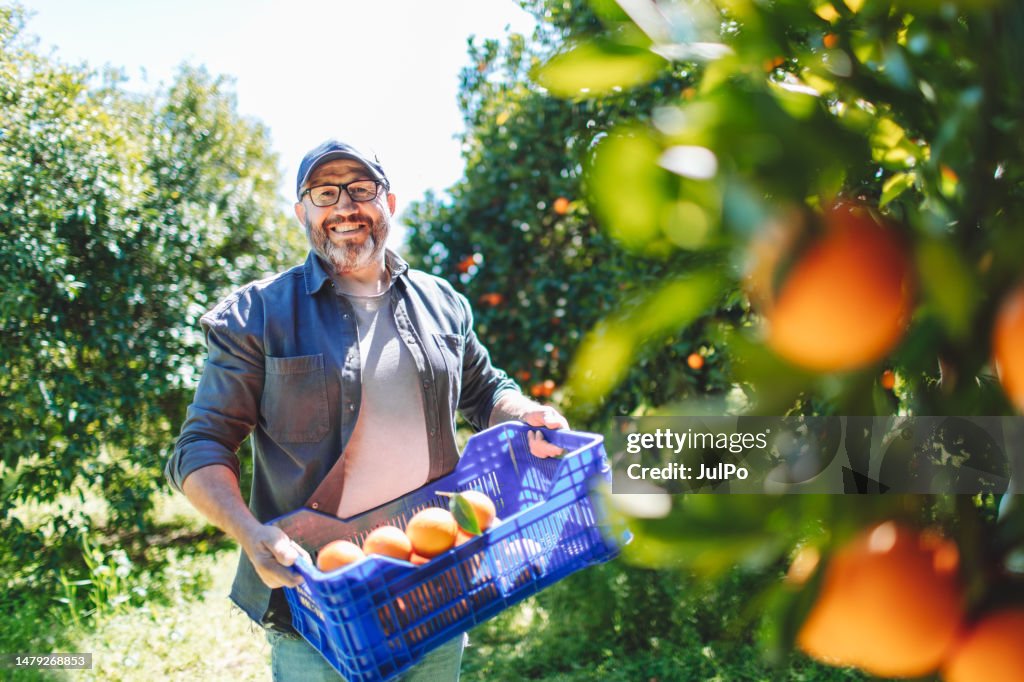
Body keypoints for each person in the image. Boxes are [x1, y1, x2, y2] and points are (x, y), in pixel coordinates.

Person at [164, 139, 569, 681]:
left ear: (390, 203)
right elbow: (201, 444)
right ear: (302, 211)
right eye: (325, 192)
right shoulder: (259, 314)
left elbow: (485, 389)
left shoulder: (442, 301)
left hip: (437, 584)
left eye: (361, 190)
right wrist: (248, 531)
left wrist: (523, 413)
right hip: (321, 606)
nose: (344, 206)